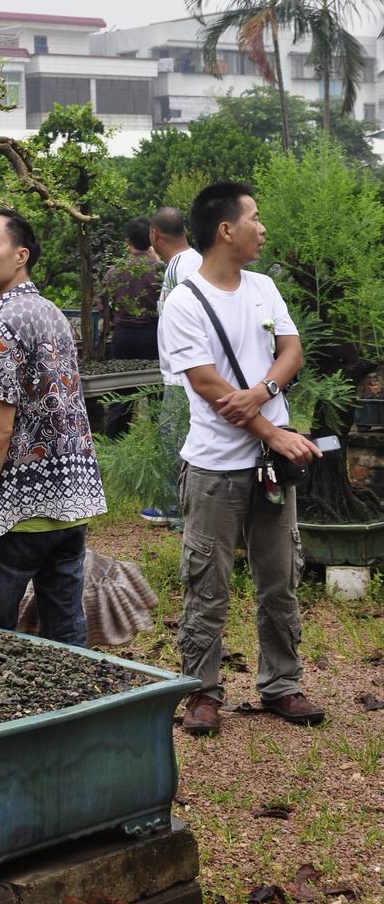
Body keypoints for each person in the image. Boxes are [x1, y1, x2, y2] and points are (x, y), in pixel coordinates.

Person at [160, 182, 324, 736]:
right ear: (225, 229)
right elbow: (208, 386)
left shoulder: (263, 287)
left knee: (280, 576)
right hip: (214, 467)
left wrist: (261, 390)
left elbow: (292, 350)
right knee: (206, 581)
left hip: (271, 468)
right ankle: (201, 691)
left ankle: (282, 683)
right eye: (254, 216)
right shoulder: (184, 302)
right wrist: (271, 430)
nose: (262, 227)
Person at [0, 208, 107, 646]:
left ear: (21, 255)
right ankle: (78, 712)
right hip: (68, 505)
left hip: (16, 513)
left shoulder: (3, 323)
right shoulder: (50, 311)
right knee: (67, 637)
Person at [142, 206, 204, 526]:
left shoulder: (180, 267)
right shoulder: (189, 261)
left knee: (176, 440)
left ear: (155, 235)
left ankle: (175, 510)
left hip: (182, 375)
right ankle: (176, 508)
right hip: (183, 372)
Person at [101, 216, 164, 439]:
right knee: (157, 394)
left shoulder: (115, 271)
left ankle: (114, 446)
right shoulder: (160, 271)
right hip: (153, 336)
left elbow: (103, 307)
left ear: (128, 241)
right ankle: (161, 444)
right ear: (152, 238)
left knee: (120, 396)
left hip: (123, 337)